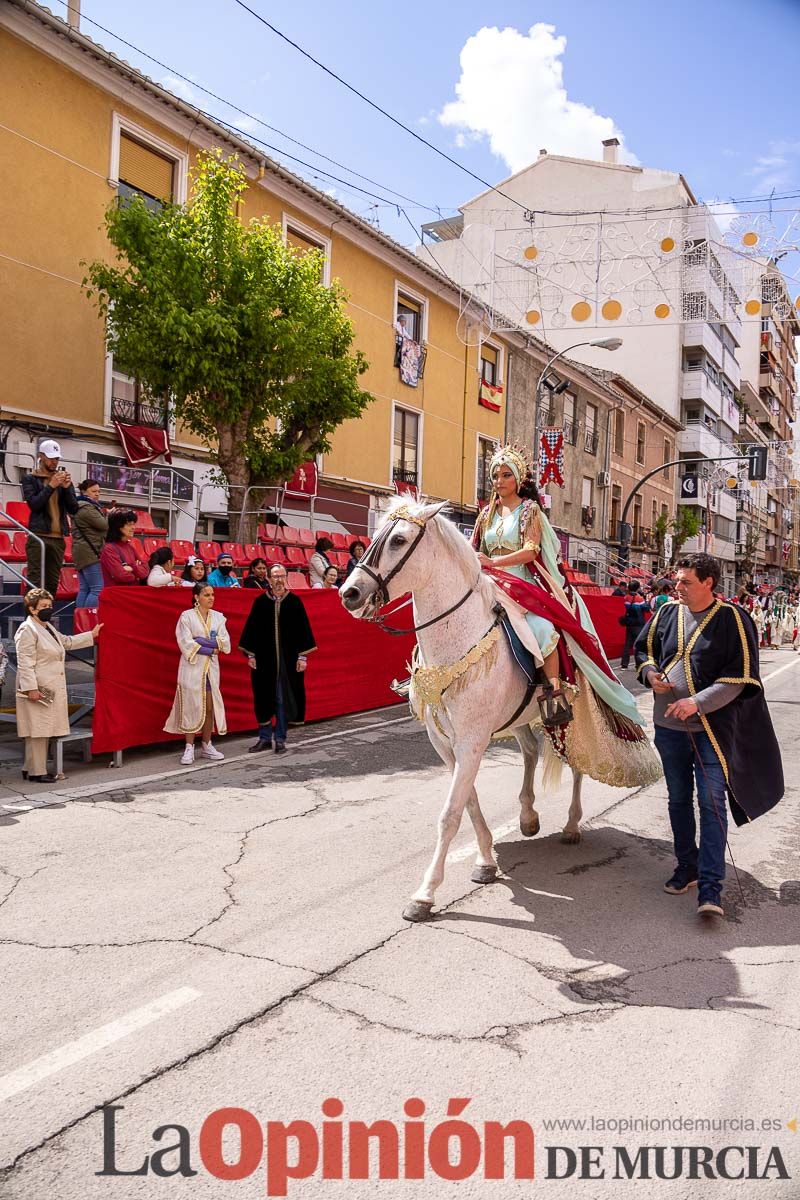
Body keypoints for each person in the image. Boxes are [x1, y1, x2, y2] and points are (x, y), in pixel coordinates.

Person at [471, 444, 657, 783]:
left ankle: (553, 693)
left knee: (544, 629)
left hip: (524, 584)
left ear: (519, 478)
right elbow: (473, 550)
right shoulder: (486, 514)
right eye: (495, 475)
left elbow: (530, 551)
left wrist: (494, 562)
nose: (498, 480)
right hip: (488, 582)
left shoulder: (530, 512)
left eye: (505, 474)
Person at [635, 553, 783, 919]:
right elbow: (646, 650)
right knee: (679, 799)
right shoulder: (667, 613)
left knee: (712, 801)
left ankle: (711, 885)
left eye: (686, 582)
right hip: (669, 728)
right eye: (677, 581)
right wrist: (652, 675)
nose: (677, 587)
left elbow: (742, 676)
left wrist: (697, 702)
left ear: (708, 583)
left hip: (712, 731)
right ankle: (687, 866)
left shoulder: (734, 618)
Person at [14, 587, 102, 782]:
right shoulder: (27, 630)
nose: (49, 609)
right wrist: (31, 689)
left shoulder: (47, 627)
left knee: (40, 729)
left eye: (50, 606)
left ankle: (29, 768)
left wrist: (91, 635)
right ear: (32, 609)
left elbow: (67, 642)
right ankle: (37, 772)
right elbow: (25, 662)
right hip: (37, 687)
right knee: (38, 731)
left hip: (48, 687)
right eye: (44, 606)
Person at [239, 563, 316, 754]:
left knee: (283, 699)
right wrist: (250, 654)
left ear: (286, 578)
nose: (279, 580)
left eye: (282, 576)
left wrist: (302, 657)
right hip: (264, 661)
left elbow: (304, 632)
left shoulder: (295, 602)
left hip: (287, 661)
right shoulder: (260, 602)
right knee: (264, 697)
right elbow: (251, 630)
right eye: (275, 576)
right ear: (269, 579)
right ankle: (264, 738)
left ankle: (280, 738)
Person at [164, 583, 230, 765]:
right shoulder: (186, 617)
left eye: (212, 594)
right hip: (192, 669)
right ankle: (189, 747)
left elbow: (225, 643)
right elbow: (186, 643)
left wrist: (202, 641)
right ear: (196, 597)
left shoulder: (218, 618)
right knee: (191, 706)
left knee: (209, 707)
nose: (211, 598)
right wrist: (210, 647)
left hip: (210, 670)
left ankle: (207, 744)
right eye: (207, 595)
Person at [21, 439, 79, 596]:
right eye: (51, 457)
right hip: (38, 535)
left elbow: (74, 509)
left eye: (57, 458)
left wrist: (67, 489)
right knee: (35, 580)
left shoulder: (63, 479)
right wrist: (51, 485)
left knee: (53, 582)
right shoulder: (30, 479)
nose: (54, 462)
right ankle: (31, 618)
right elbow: (34, 504)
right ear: (41, 456)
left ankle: (46, 616)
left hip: (58, 538)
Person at [73, 479, 108, 608]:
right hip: (90, 552)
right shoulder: (86, 507)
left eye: (99, 491)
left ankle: (80, 620)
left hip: (82, 551)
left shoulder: (80, 505)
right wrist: (108, 516)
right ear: (84, 492)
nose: (97, 494)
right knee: (97, 589)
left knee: (85, 589)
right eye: (94, 491)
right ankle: (87, 619)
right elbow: (103, 525)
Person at [99, 510, 148, 586]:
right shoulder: (109, 549)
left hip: (130, 592)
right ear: (118, 527)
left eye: (134, 524)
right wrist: (137, 574)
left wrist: (131, 568)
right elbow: (120, 575)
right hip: (117, 594)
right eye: (129, 524)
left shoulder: (130, 547)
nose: (133, 528)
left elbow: (145, 570)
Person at [619, 581, 650, 668]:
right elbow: (646, 609)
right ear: (637, 588)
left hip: (629, 622)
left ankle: (624, 664)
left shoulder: (626, 597)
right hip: (638, 623)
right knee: (638, 644)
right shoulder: (639, 599)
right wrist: (644, 598)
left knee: (627, 643)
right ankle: (638, 663)